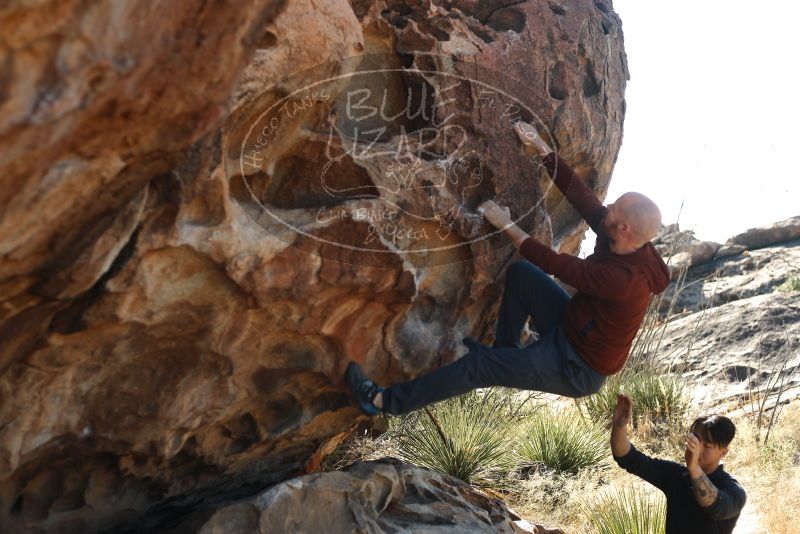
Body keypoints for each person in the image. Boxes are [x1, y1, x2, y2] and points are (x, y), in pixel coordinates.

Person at [346, 121, 670, 416]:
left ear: (625, 228)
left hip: (576, 366)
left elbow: (557, 265)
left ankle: (382, 401)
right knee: (522, 275)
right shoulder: (622, 235)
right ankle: (505, 354)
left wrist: (506, 224)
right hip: (571, 327)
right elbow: (583, 198)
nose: (608, 207)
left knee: (477, 366)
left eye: (615, 208)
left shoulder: (624, 280)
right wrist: (542, 148)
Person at [611, 394, 747, 533]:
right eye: (696, 441)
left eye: (706, 445)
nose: (697, 449)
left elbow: (717, 507)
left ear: (723, 452)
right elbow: (629, 459)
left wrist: (693, 468)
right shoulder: (675, 475)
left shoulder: (734, 490)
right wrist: (619, 427)